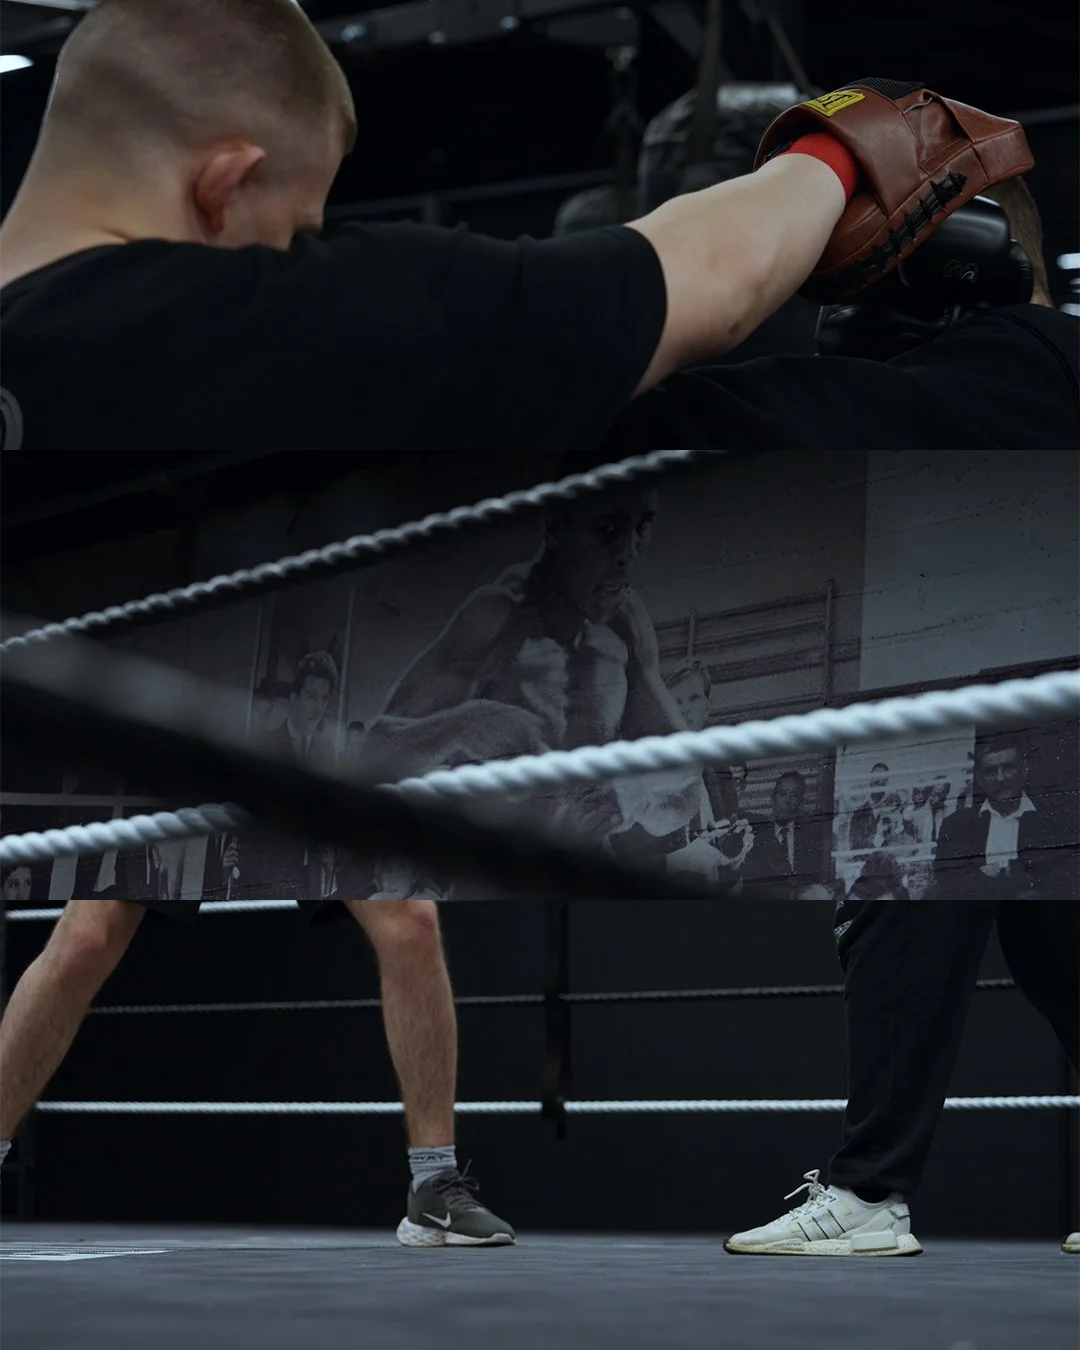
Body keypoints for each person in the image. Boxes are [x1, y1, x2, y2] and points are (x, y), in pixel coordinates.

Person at [0, 4, 1018, 454]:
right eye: (294, 225)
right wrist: (853, 144)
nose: (300, 252)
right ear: (227, 185)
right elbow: (715, 277)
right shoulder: (246, 325)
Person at [724, 738, 1080, 1257]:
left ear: (1024, 768)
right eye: (991, 768)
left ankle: (868, 1197)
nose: (1000, 777)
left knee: (1061, 970)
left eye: (1009, 768)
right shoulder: (959, 826)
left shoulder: (1052, 817)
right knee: (898, 914)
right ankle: (868, 1194)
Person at [362, 481, 703, 859]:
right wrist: (464, 725)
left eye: (641, 529)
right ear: (556, 527)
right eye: (609, 529)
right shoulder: (496, 616)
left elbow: (687, 786)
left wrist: (639, 796)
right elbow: (372, 755)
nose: (628, 554)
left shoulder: (627, 624)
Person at [742, 771, 826, 896]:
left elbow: (819, 879)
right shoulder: (757, 841)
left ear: (801, 802)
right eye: (783, 794)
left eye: (794, 795)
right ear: (773, 799)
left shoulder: (811, 838)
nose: (787, 800)